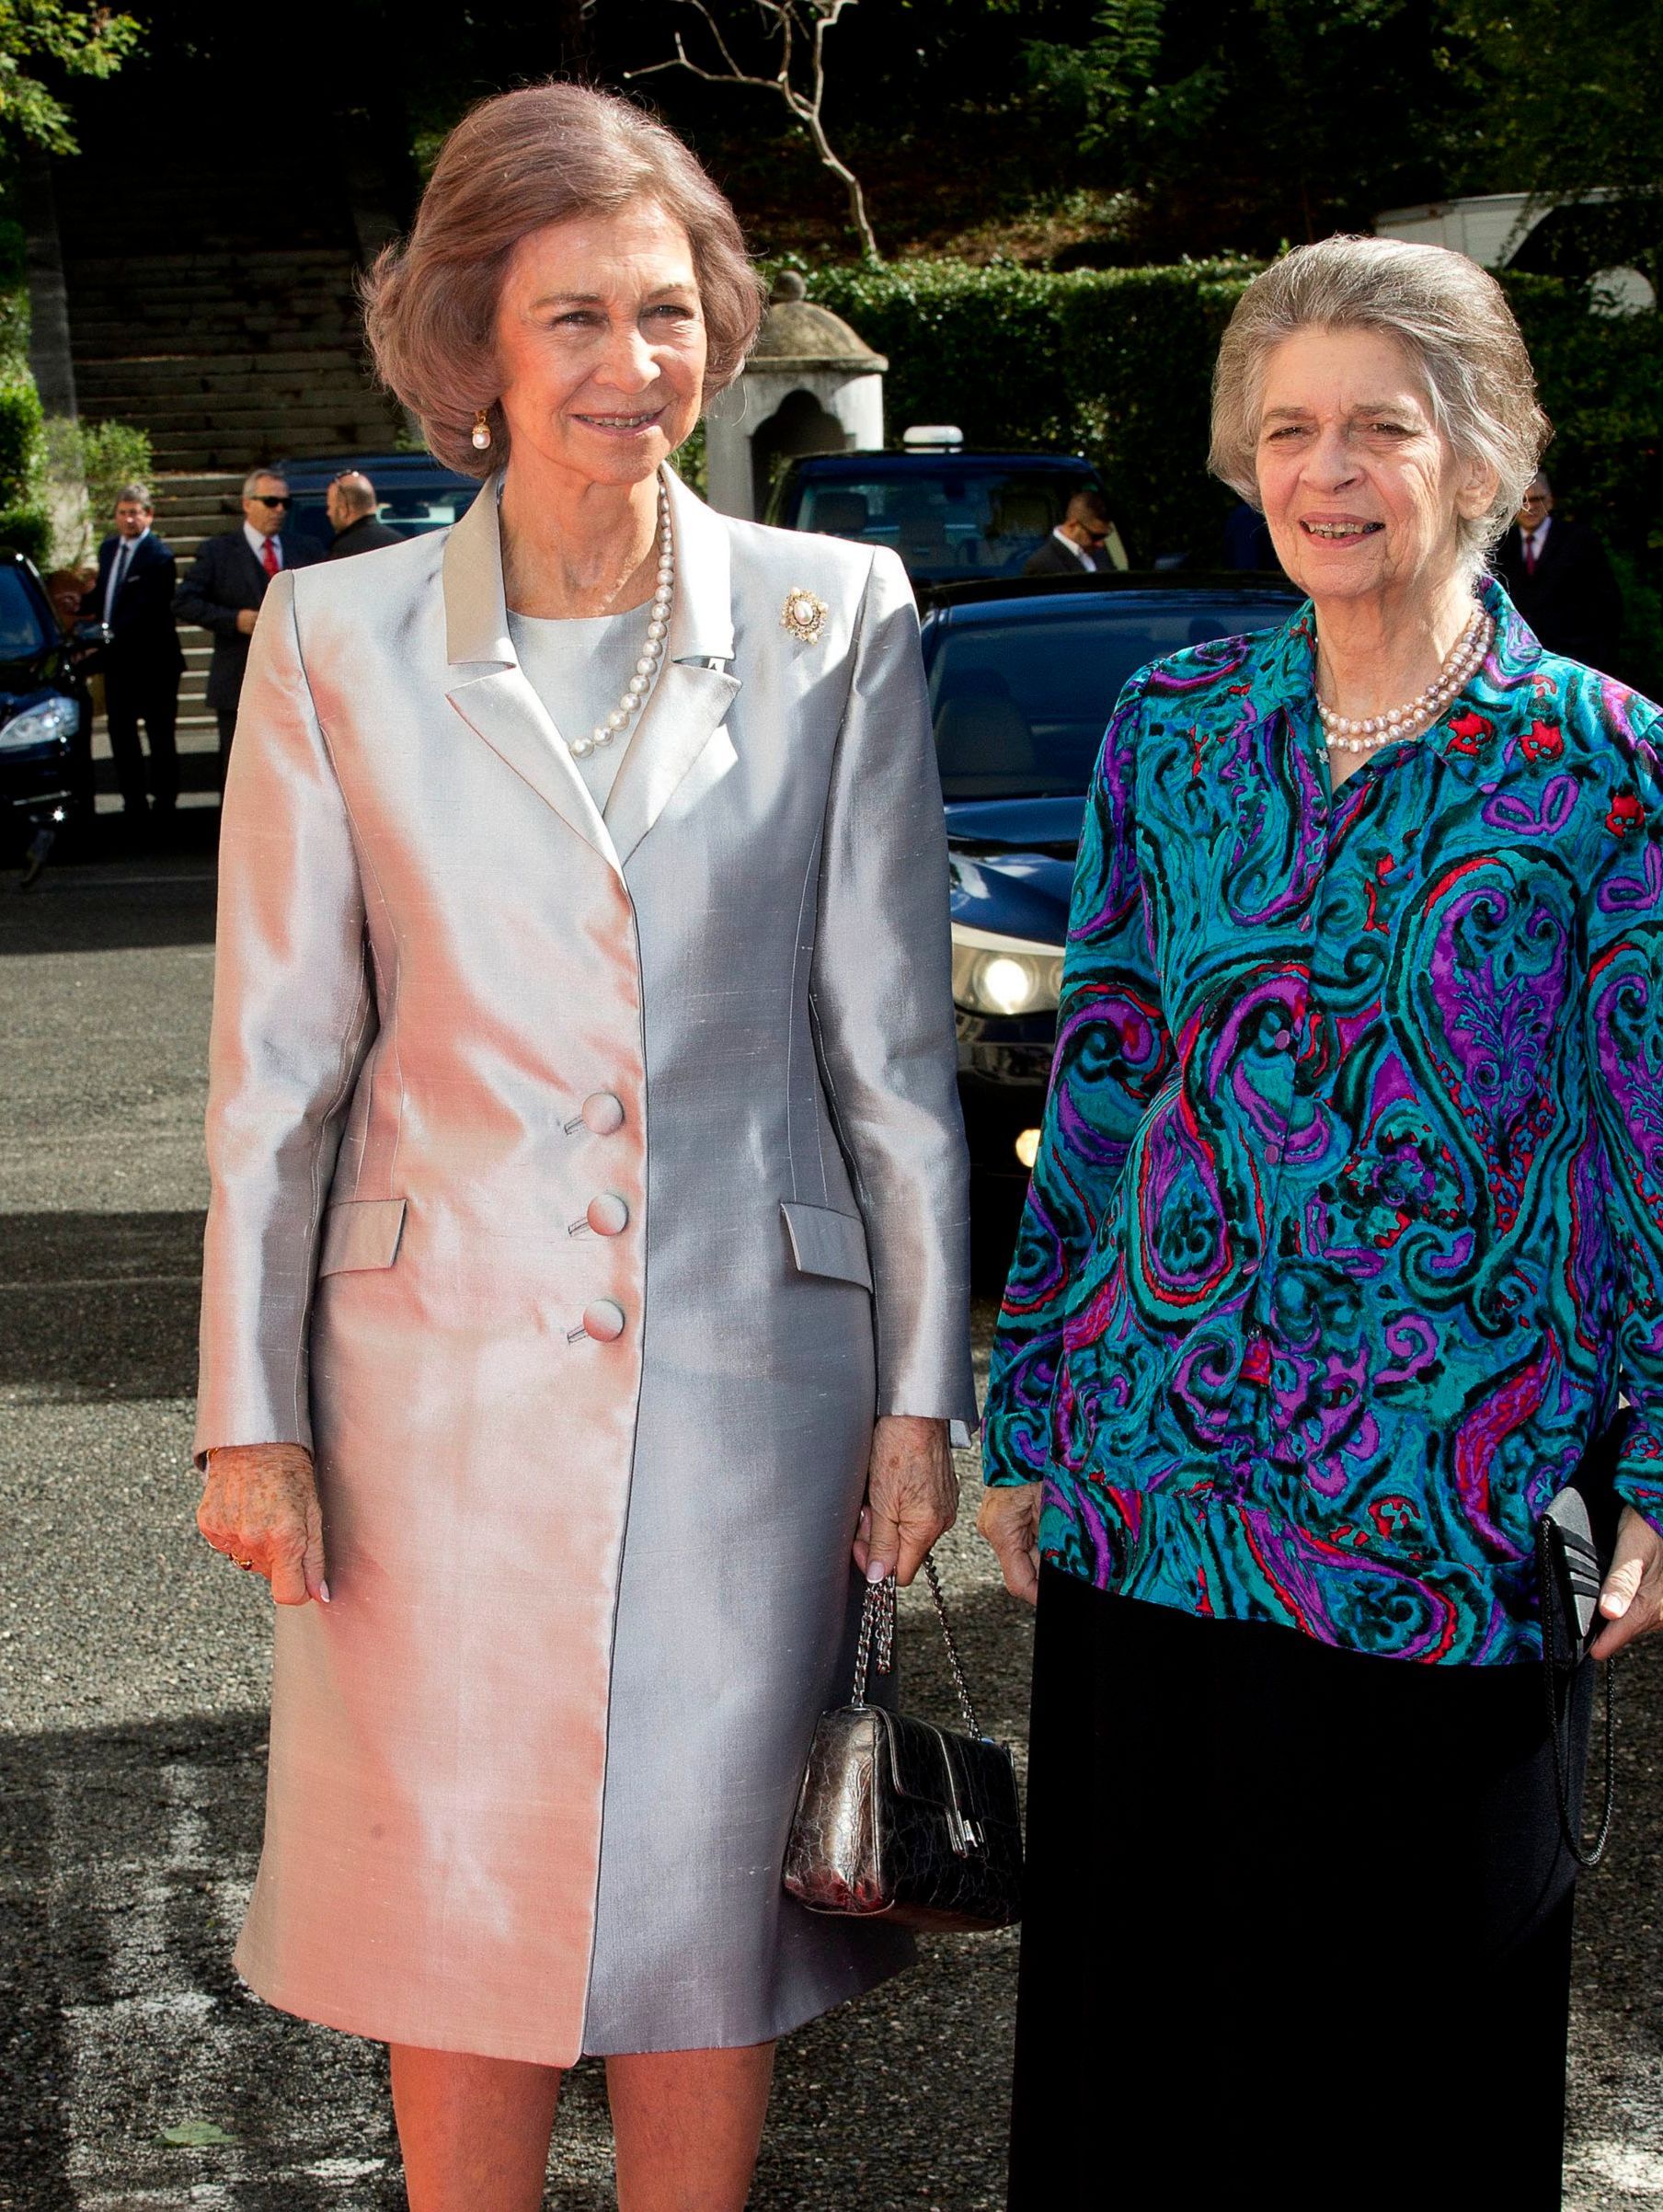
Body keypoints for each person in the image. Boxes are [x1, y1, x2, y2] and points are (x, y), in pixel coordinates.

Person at [191, 82, 972, 2212]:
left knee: (710, 1899)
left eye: (668, 312)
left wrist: (917, 1396)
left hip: (757, 1383)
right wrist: (249, 1413)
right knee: (454, 1895)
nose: (634, 364)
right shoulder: (334, 636)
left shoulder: (836, 613)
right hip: (421, 1395)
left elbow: (888, 1053)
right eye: (574, 318)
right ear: (475, 344)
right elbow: (280, 1067)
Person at [980, 235, 1663, 2211]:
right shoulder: (1170, 730)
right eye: (1286, 429)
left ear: (1482, 457)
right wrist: (1031, 1405)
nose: (1324, 472)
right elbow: (1103, 1079)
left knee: (1408, 2067)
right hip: (1154, 1488)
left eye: (1379, 429)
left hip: (1444, 1511)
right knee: (1149, 2054)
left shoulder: (1610, 769)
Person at [173, 466, 323, 783]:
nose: (279, 510)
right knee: (240, 774)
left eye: (285, 503)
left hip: (296, 682)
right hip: (238, 680)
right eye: (270, 502)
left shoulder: (307, 549)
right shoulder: (218, 552)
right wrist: (233, 619)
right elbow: (184, 602)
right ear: (247, 504)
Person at [76, 481, 184, 835]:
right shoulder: (110, 549)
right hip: (118, 665)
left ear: (148, 515)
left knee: (160, 736)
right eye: (122, 513)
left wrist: (108, 634)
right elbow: (107, 596)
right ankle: (133, 804)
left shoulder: (159, 556)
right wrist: (81, 606)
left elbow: (147, 609)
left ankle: (165, 806)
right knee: (121, 735)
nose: (128, 520)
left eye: (134, 513)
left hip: (154, 663)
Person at [1494, 467, 1624, 670]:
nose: (1530, 507)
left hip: (1574, 660)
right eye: (1523, 500)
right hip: (1517, 662)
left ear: (1550, 501)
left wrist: (1599, 658)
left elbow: (1607, 604)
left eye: (1537, 499)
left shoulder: (1580, 541)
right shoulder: (1500, 547)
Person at [1020, 487, 1117, 577]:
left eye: (1104, 535)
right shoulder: (1041, 564)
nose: (1100, 544)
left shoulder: (1100, 553)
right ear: (1072, 525)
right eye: (1095, 536)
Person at [324, 469, 402, 558]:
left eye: (330, 507)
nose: (328, 513)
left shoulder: (344, 552)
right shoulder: (400, 544)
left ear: (344, 509)